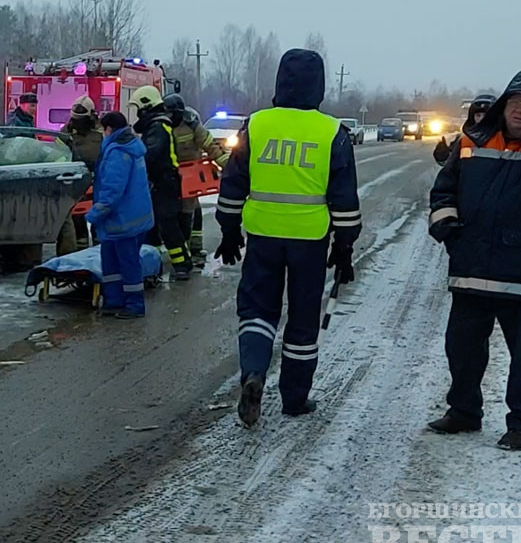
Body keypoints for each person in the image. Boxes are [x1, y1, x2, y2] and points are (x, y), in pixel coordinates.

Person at [215, 49, 362, 426]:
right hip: (309, 240)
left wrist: (229, 230)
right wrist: (345, 246)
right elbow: (344, 198)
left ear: (279, 81)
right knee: (302, 320)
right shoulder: (331, 132)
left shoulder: (257, 125)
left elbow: (233, 182)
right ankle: (295, 398)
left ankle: (254, 373)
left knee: (257, 310)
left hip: (262, 234)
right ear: (320, 86)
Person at [428, 71, 521, 451]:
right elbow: (443, 190)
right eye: (515, 103)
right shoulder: (472, 142)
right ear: (504, 106)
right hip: (472, 268)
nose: (520, 111)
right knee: (462, 348)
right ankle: (464, 411)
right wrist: (449, 231)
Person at [86, 112, 155, 319]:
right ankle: (114, 300)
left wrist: (93, 215)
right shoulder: (131, 147)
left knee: (127, 263)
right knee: (113, 261)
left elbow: (112, 191)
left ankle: (134, 304)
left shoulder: (118, 152)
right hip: (131, 217)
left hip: (122, 220)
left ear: (109, 130)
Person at [130, 86, 191, 281]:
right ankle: (153, 264)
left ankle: (182, 265)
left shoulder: (157, 127)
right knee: (153, 226)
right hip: (160, 183)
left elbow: (149, 154)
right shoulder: (157, 125)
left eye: (139, 108)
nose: (138, 113)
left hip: (164, 184)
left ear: (146, 107)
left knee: (168, 226)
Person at [175, 104, 231, 267]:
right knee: (186, 213)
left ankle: (193, 248)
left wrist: (227, 166)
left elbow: (211, 147)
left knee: (192, 211)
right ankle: (186, 250)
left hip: (190, 177)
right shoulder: (168, 126)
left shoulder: (191, 124)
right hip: (175, 177)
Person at [56, 96, 105, 254]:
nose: (77, 122)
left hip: (98, 181)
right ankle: (80, 255)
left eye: (81, 119)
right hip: (75, 181)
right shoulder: (66, 132)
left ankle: (99, 254)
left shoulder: (101, 131)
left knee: (98, 220)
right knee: (77, 220)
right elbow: (58, 153)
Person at [433, 94, 494, 165]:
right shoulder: (463, 139)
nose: (481, 119)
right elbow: (451, 166)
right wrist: (443, 156)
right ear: (472, 117)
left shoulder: (504, 138)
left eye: (486, 115)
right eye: (478, 115)